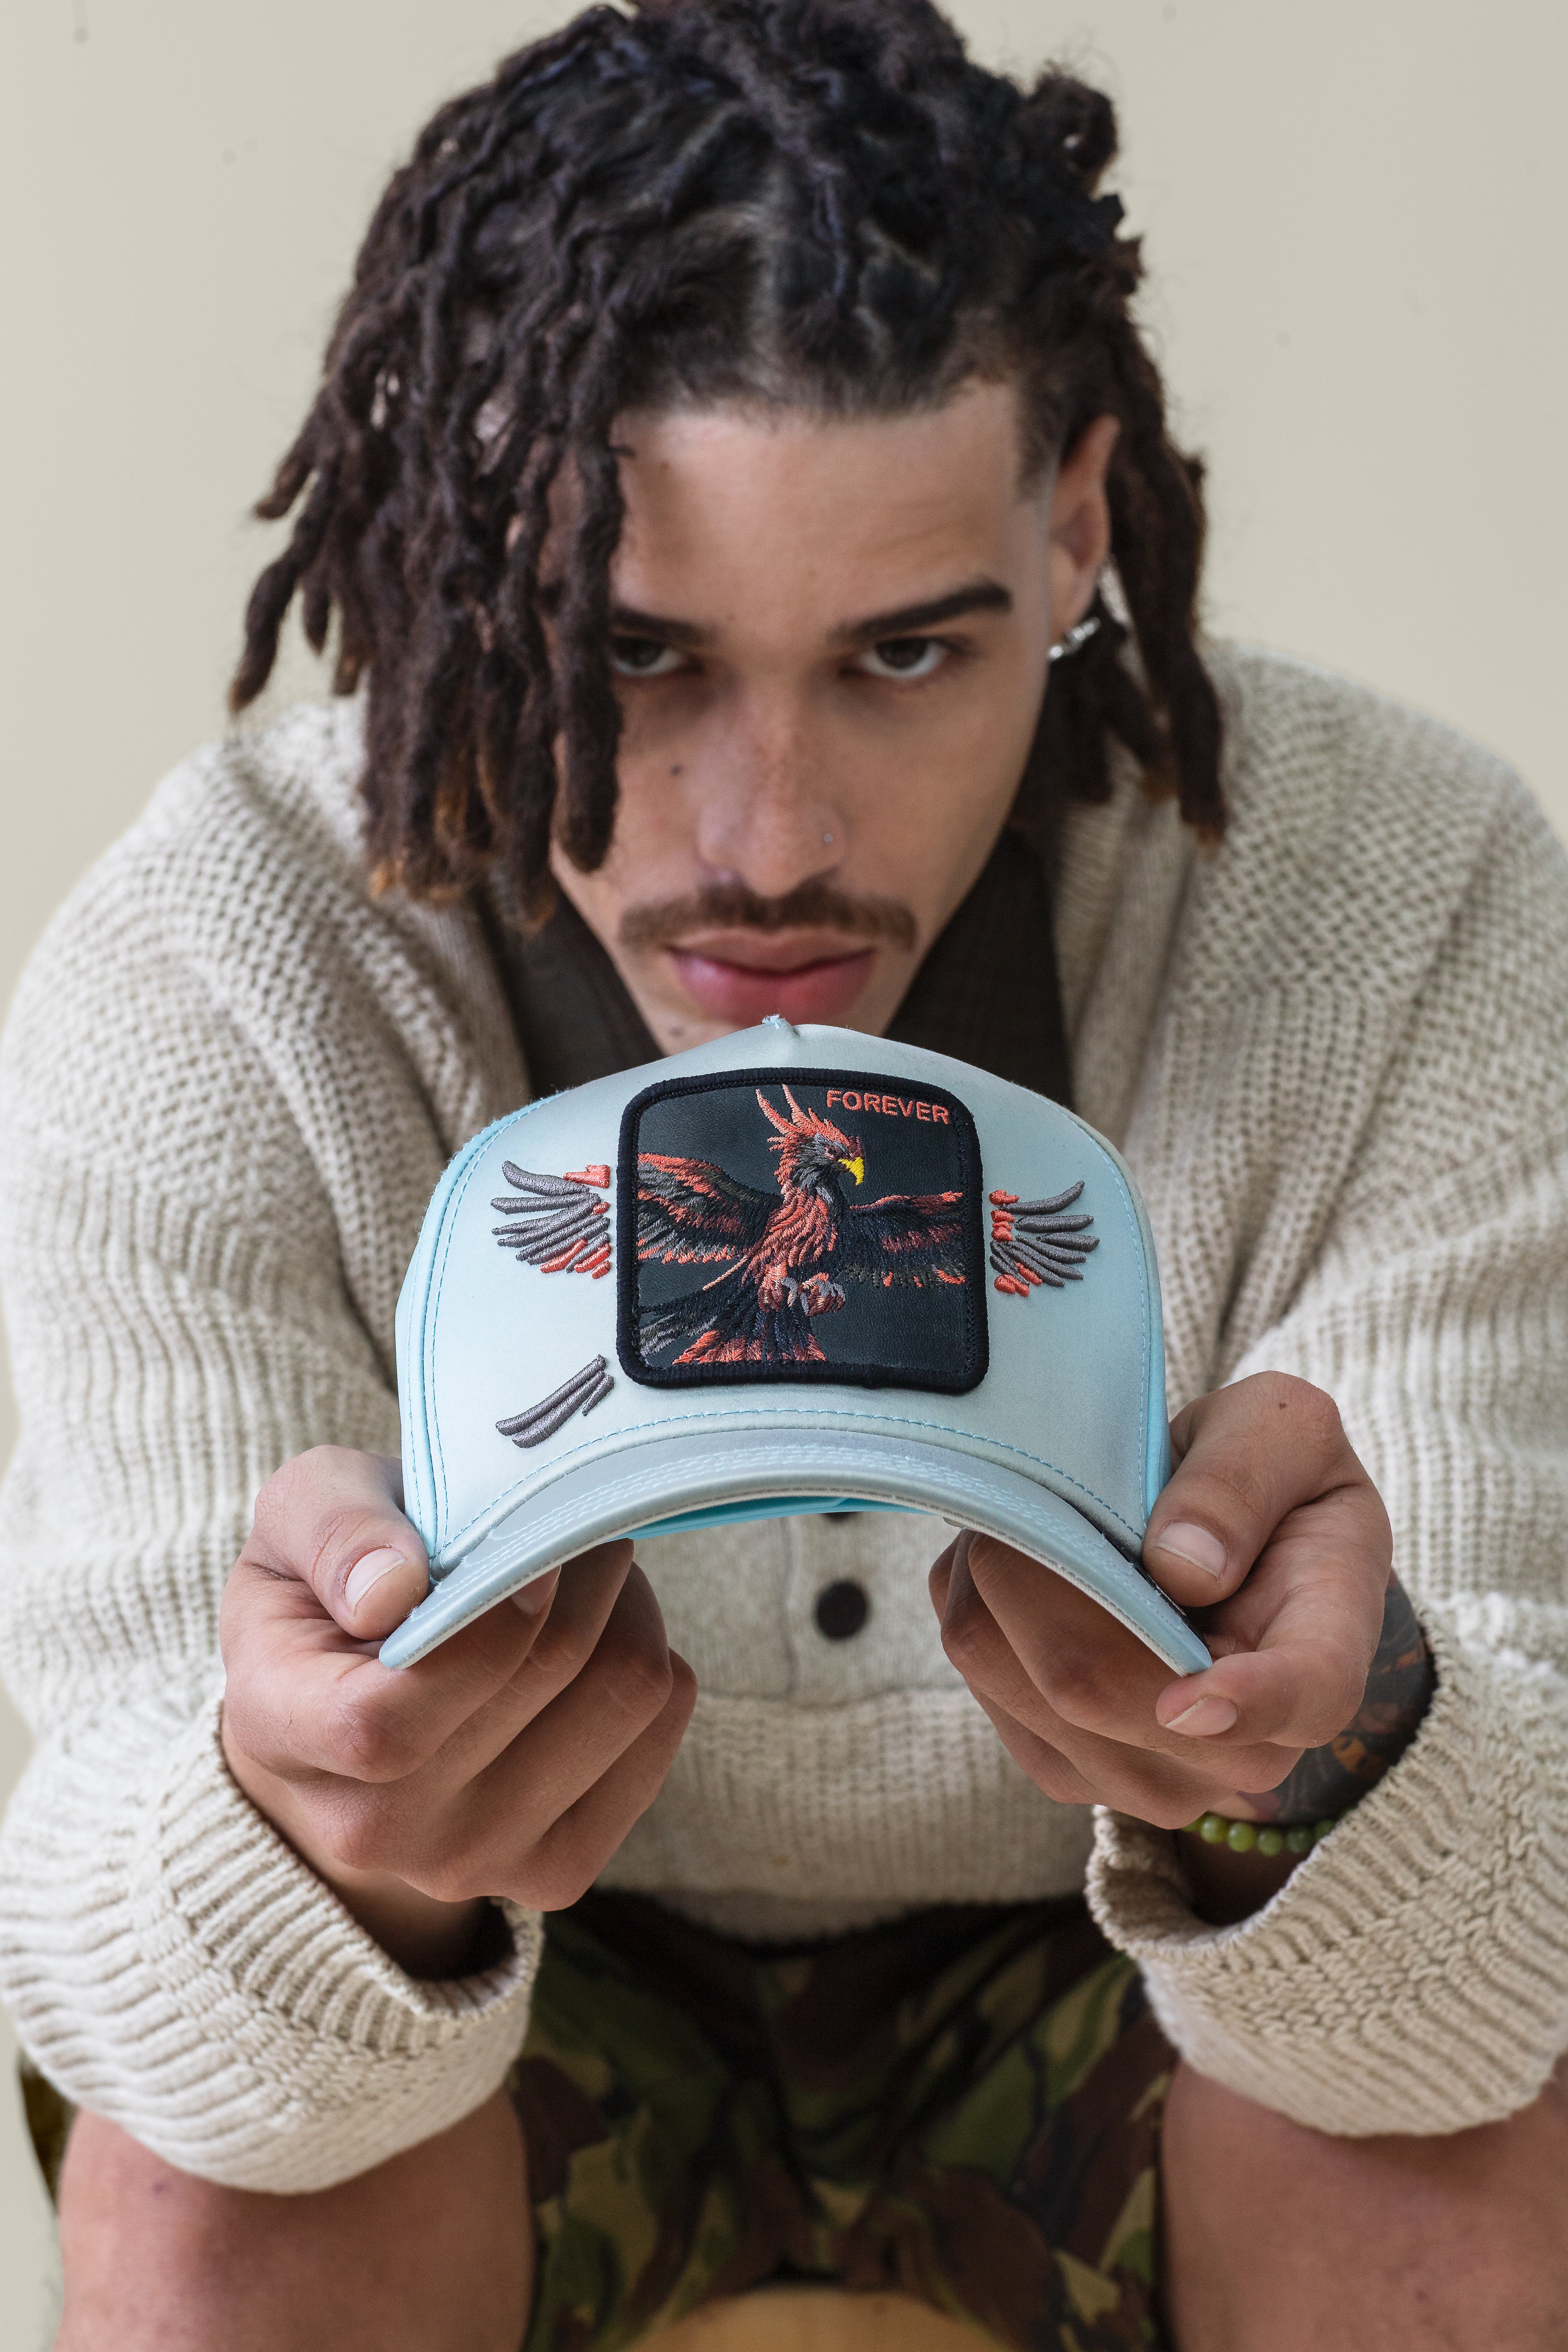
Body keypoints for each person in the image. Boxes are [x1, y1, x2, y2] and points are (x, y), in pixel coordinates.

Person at [2, 3, 1566, 2345]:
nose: (773, 843)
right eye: (630, 655)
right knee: (219, 2191)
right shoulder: (223, 964)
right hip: (518, 2009)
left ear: (1077, 532)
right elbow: (129, 1996)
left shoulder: (1402, 895)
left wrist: (1330, 1770)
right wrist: (316, 1855)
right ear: (461, 562)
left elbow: (1488, 2008)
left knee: (1441, 2172)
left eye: (906, 654)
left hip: (1124, 1968)